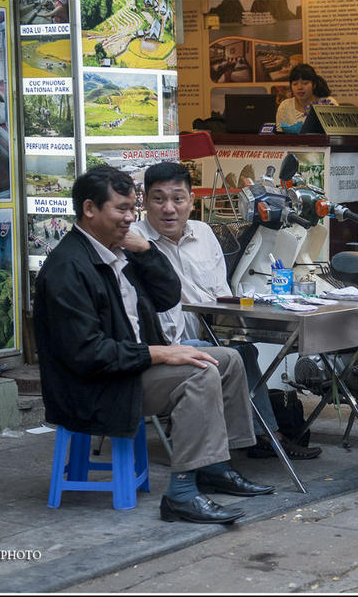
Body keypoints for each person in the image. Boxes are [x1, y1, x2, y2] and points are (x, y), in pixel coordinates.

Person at [33, 165, 275, 526]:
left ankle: (216, 465)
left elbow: (166, 296)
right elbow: (87, 354)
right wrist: (160, 352)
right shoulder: (68, 268)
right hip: (95, 387)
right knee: (198, 373)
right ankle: (181, 492)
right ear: (89, 209)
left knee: (229, 359)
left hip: (130, 367)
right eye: (121, 210)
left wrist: (145, 250)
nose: (131, 218)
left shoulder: (119, 251)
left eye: (133, 209)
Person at [130, 162, 321, 460]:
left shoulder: (204, 234)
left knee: (246, 351)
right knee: (232, 357)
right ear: (145, 201)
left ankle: (262, 437)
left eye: (178, 199)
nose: (169, 208)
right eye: (159, 199)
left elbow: (222, 293)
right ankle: (249, 444)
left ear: (191, 201)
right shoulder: (135, 242)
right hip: (165, 345)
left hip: (212, 331)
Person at [275, 63, 338, 133]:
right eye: (295, 84)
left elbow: (337, 133)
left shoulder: (328, 102)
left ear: (314, 85)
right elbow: (279, 136)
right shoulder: (285, 106)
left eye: (305, 83)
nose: (300, 87)